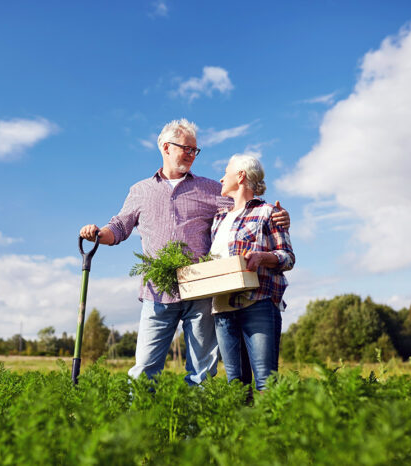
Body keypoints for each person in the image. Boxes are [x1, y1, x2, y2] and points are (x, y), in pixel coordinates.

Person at [79, 118, 290, 385]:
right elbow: (119, 227)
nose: (192, 155)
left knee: (202, 372)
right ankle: (139, 424)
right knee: (144, 368)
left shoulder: (211, 188)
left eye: (195, 150)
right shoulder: (140, 190)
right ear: (166, 147)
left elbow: (246, 206)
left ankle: (195, 425)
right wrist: (98, 234)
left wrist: (279, 216)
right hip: (157, 290)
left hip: (200, 290)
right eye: (186, 148)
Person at [210, 154, 295, 392]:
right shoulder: (218, 218)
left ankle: (269, 429)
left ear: (240, 175)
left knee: (265, 384)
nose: (221, 177)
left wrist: (261, 257)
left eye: (225, 171)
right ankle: (244, 430)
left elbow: (288, 257)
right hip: (223, 308)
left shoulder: (268, 212)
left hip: (257, 303)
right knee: (236, 387)